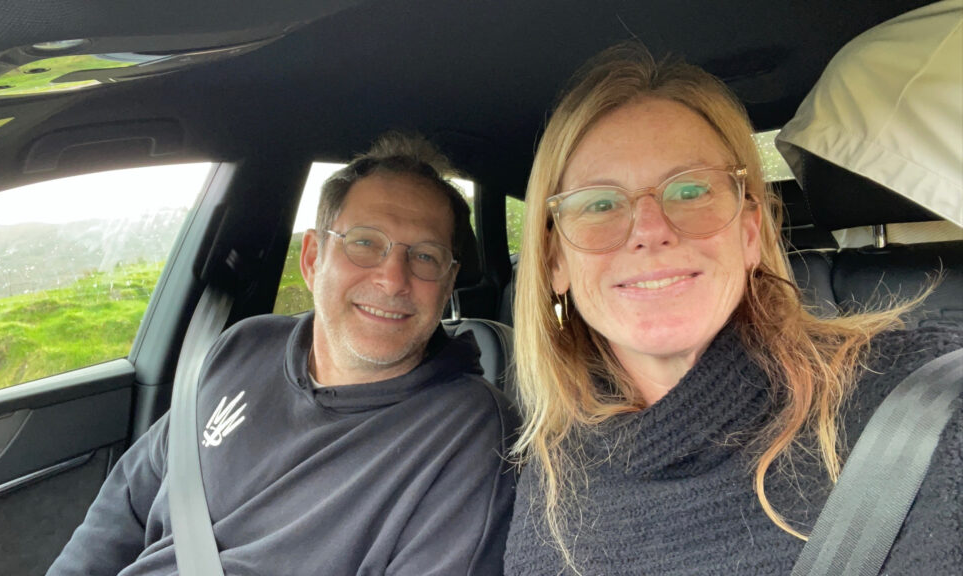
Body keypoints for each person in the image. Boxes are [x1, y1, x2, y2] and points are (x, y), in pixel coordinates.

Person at [502, 43, 962, 575]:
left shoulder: (921, 405)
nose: (651, 230)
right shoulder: (551, 467)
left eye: (691, 189)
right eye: (600, 204)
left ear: (748, 234)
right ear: (555, 261)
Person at [49, 133, 519, 575]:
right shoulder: (242, 347)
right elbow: (128, 499)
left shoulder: (470, 435)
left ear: (449, 282)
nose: (393, 279)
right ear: (313, 258)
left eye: (425, 256)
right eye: (364, 244)